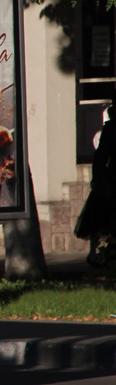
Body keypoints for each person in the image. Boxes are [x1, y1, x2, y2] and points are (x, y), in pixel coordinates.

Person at [77, 105, 116, 267]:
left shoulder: (110, 129)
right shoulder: (111, 129)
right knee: (100, 215)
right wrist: (98, 178)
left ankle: (96, 252)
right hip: (111, 178)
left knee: (100, 215)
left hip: (109, 177)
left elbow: (100, 156)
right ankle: (96, 252)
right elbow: (100, 156)